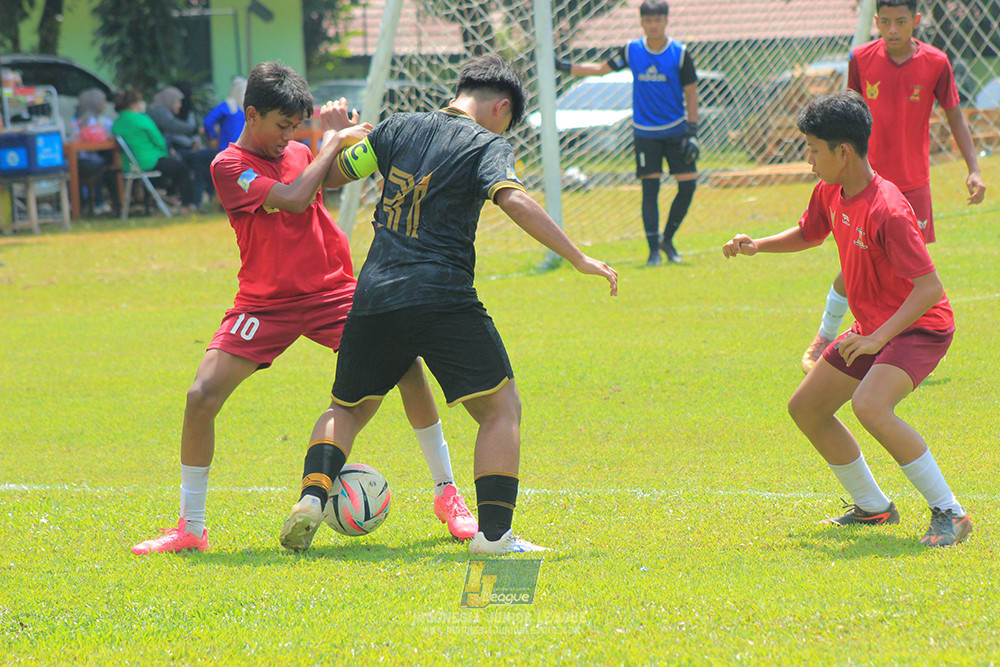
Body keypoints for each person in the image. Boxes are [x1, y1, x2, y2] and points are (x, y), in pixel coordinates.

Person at [131, 61, 477, 556]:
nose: (288, 137)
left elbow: (331, 176)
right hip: (265, 303)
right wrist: (330, 141)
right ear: (251, 114)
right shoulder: (227, 166)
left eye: (296, 126)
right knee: (201, 396)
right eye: (281, 125)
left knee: (408, 368)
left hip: (332, 292)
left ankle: (447, 496)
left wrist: (349, 138)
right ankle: (192, 527)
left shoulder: (297, 150)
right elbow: (295, 198)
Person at [279, 54, 618, 555]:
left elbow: (331, 178)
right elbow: (513, 198)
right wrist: (577, 256)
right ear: (501, 107)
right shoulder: (486, 143)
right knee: (501, 409)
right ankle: (495, 537)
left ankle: (312, 497)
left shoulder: (395, 128)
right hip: (441, 295)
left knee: (346, 408)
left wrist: (336, 138)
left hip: (375, 295)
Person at [722, 91, 972, 547]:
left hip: (919, 327)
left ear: (843, 152)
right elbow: (808, 232)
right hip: (873, 328)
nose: (809, 160)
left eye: (813, 150)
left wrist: (877, 338)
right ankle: (874, 507)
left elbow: (929, 289)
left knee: (870, 406)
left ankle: (950, 512)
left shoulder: (888, 209)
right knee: (807, 408)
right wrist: (758, 245)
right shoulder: (830, 190)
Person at [799, 0, 986, 373]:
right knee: (856, 265)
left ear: (915, 20)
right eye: (885, 22)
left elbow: (955, 116)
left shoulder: (936, 62)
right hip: (865, 182)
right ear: (876, 22)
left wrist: (974, 168)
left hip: (912, 186)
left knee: (906, 273)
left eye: (901, 21)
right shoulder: (861, 59)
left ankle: (896, 347)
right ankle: (826, 336)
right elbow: (846, 116)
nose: (893, 30)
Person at [555, 0, 699, 266]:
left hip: (677, 131)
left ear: (666, 21)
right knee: (650, 190)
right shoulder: (632, 50)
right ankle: (653, 251)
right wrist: (563, 67)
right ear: (642, 22)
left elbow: (691, 94)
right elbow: (600, 69)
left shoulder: (680, 53)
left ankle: (668, 239)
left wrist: (692, 132)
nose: (653, 25)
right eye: (648, 20)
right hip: (645, 133)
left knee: (688, 184)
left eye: (658, 20)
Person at [111, 89, 196, 214]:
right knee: (181, 168)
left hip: (130, 165)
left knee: (164, 170)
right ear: (135, 103)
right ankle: (186, 205)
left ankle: (156, 202)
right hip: (150, 161)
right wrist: (166, 153)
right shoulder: (142, 119)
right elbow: (159, 141)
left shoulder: (117, 123)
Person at [148, 86, 215, 209]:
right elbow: (173, 126)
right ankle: (188, 204)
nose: (180, 105)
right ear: (170, 99)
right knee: (184, 168)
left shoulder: (161, 111)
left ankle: (191, 200)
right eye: (178, 102)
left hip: (158, 153)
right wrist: (195, 130)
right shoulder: (159, 112)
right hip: (154, 156)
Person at [71, 88, 118, 216]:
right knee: (110, 168)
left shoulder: (75, 120)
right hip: (90, 162)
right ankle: (107, 202)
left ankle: (93, 203)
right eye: (103, 102)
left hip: (77, 161)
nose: (105, 105)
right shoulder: (97, 122)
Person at [203, 77, 247, 153]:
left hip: (228, 151)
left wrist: (212, 137)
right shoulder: (250, 109)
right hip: (246, 151)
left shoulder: (227, 105)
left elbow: (208, 122)